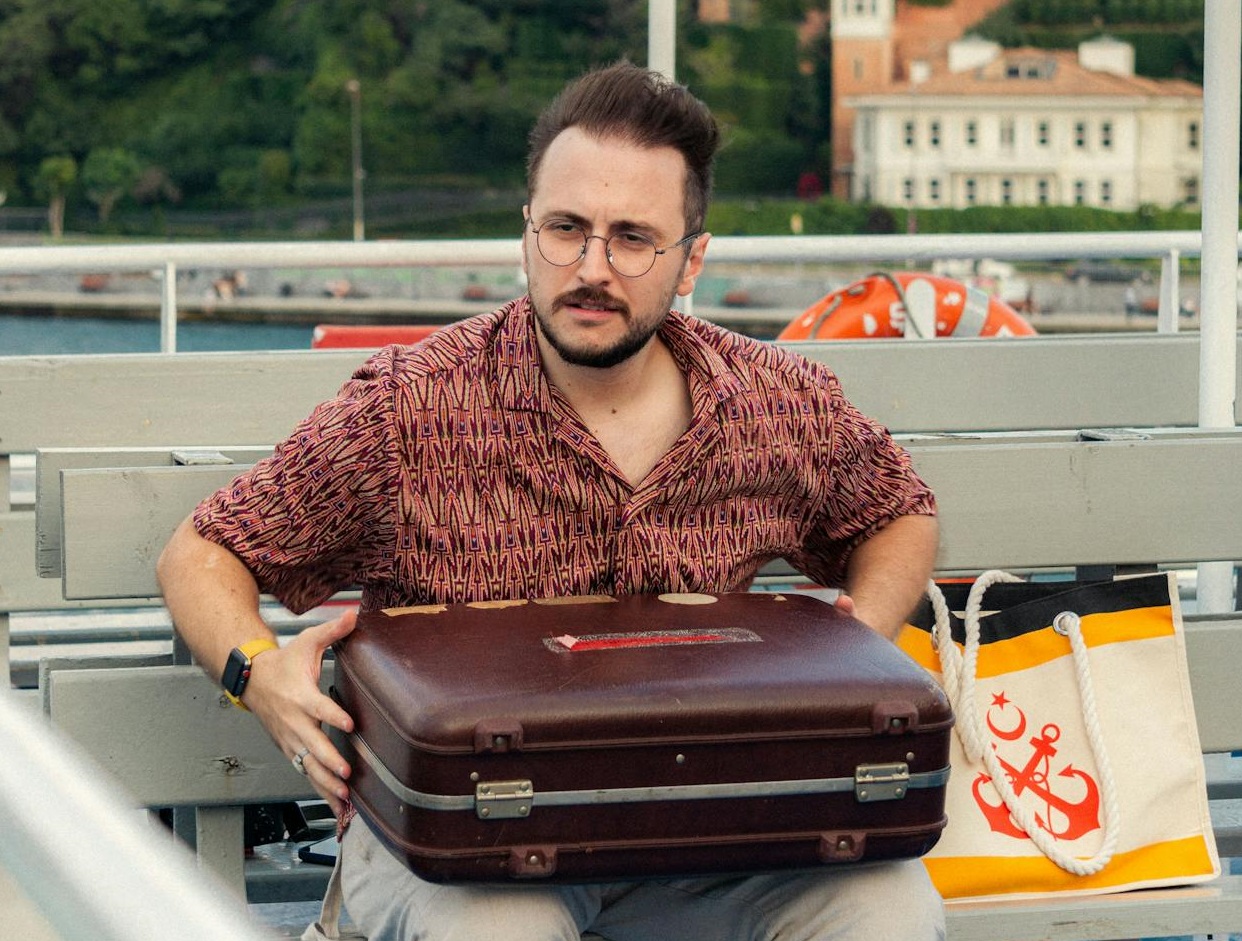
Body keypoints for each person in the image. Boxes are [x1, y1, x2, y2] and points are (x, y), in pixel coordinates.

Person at [156, 61, 942, 941]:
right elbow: (205, 550)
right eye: (566, 228)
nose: (591, 267)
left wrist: (850, 663)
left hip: (711, 835)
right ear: (525, 232)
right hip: (465, 846)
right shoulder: (409, 406)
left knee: (890, 909)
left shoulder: (775, 399)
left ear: (692, 259)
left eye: (634, 238)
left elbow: (895, 508)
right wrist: (257, 675)